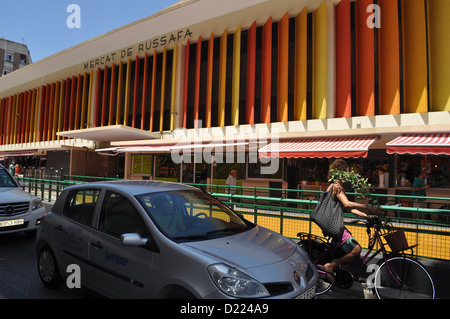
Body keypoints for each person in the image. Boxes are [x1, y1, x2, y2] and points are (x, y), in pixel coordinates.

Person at [322, 159, 384, 284]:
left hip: (333, 224)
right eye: (347, 171)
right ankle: (331, 265)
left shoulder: (339, 187)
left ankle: (342, 273)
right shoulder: (336, 186)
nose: (349, 174)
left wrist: (367, 217)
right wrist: (368, 207)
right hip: (333, 225)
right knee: (356, 250)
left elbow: (349, 209)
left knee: (348, 251)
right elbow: (347, 203)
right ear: (341, 172)